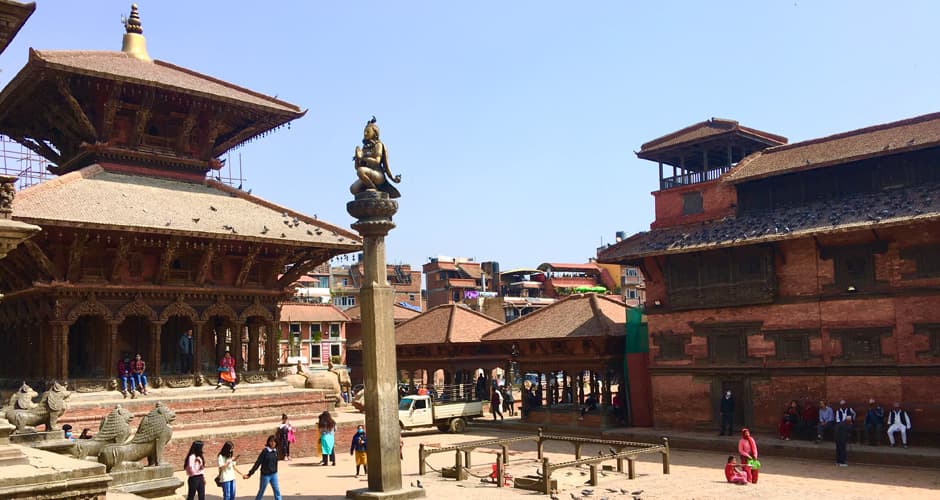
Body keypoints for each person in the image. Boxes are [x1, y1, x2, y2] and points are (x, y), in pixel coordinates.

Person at [350, 116, 402, 198]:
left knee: (361, 171)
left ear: (375, 132)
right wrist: (357, 158)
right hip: (367, 173)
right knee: (353, 189)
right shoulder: (365, 148)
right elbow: (357, 168)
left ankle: (372, 188)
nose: (365, 134)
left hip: (378, 175)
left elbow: (377, 161)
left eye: (368, 131)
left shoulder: (378, 145)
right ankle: (369, 186)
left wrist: (363, 157)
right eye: (364, 132)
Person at [244, 435, 281, 500]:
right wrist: (250, 474)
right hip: (265, 475)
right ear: (268, 442)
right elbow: (257, 463)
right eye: (271, 441)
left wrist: (275, 470)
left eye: (274, 442)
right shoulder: (265, 451)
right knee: (261, 491)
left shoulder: (275, 451)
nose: (272, 443)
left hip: (274, 474)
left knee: (277, 490)